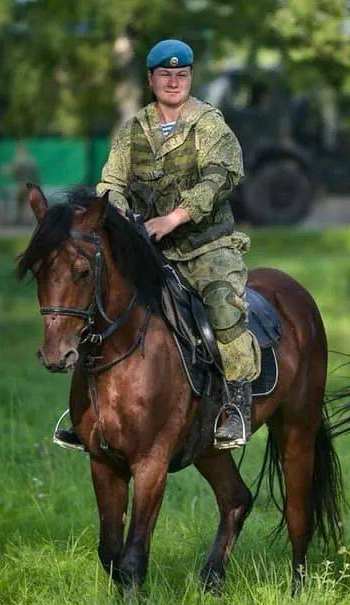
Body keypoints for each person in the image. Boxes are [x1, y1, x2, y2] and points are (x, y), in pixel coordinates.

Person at [54, 39, 257, 451]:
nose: (173, 81)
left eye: (181, 74)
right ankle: (84, 410)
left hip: (207, 247)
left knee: (222, 306)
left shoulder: (210, 124)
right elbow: (111, 184)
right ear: (150, 80)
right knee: (100, 304)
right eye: (165, 74)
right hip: (149, 248)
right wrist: (125, 219)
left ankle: (237, 405)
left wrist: (174, 218)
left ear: (190, 78)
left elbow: (220, 178)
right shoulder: (133, 131)